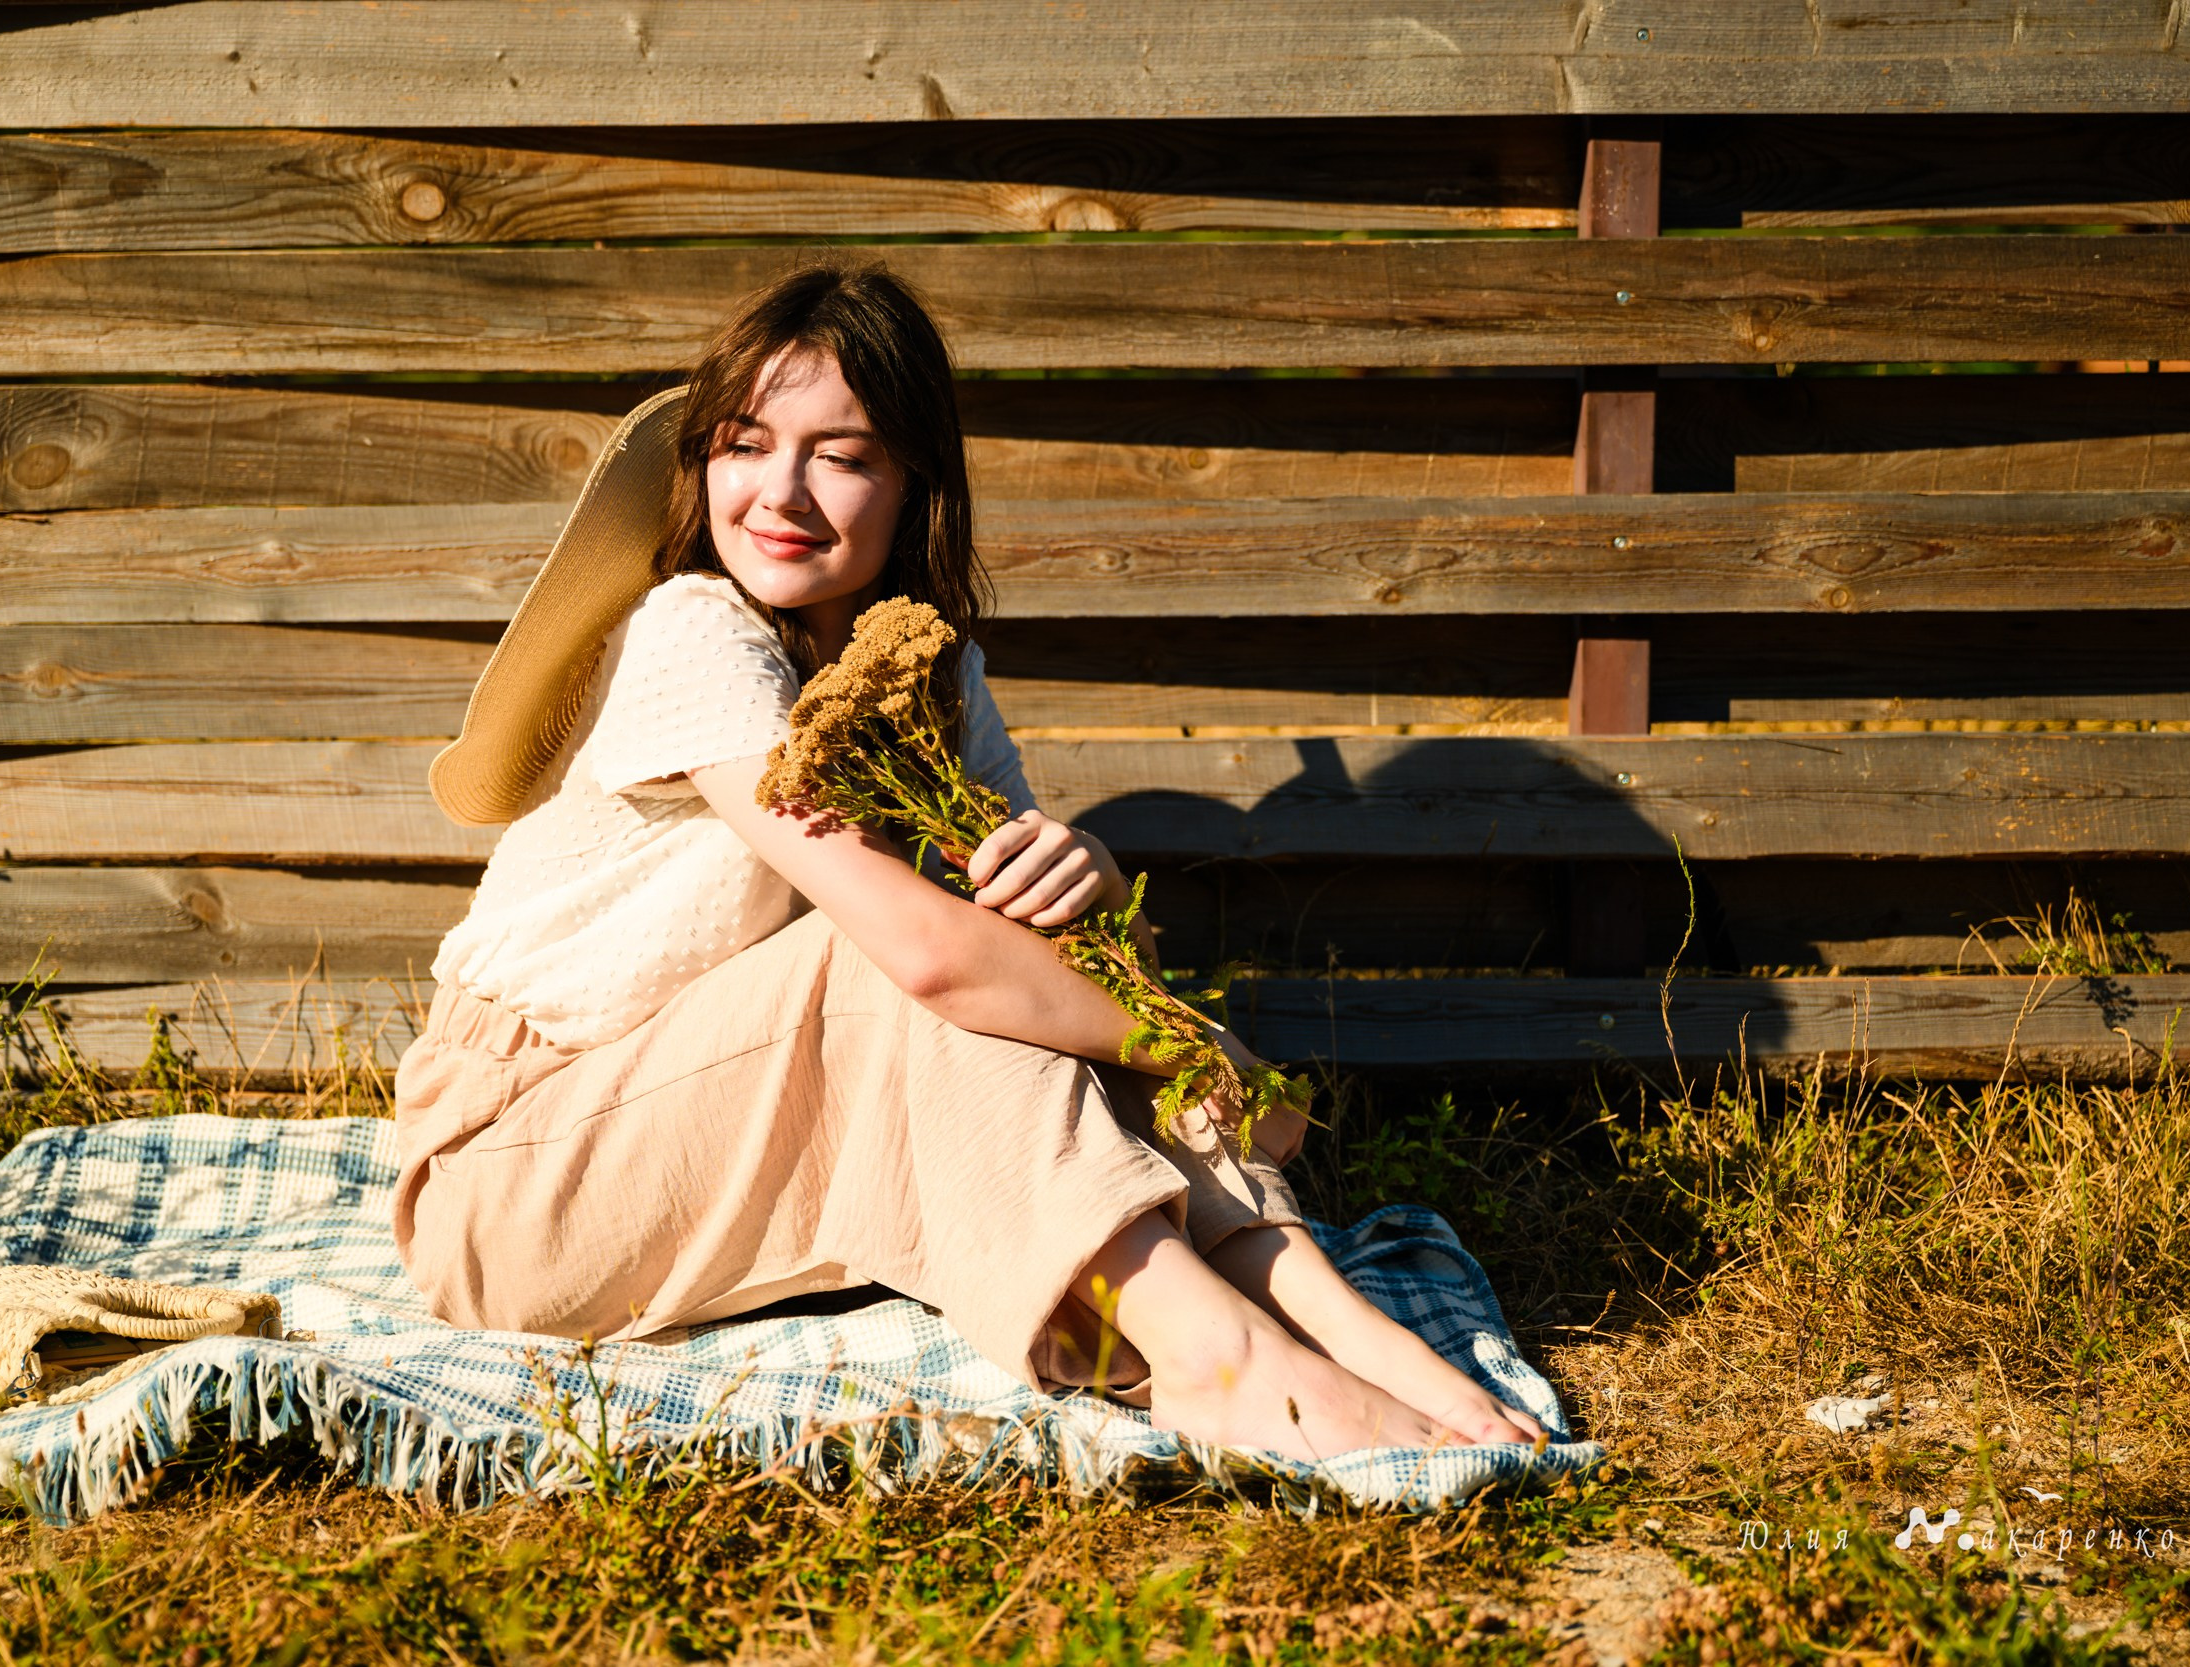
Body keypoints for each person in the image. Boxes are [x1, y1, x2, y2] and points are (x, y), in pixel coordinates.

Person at [392, 261, 1542, 1462]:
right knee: (905, 957)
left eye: (841, 454)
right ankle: (1217, 1358)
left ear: (909, 486)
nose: (780, 492)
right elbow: (931, 960)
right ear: (701, 464)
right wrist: (1205, 1048)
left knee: (1022, 972)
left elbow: (1048, 963)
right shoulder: (690, 629)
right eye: (744, 443)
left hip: (715, 1122)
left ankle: (1322, 1313)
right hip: (515, 1177)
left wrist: (1084, 871)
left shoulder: (929, 672)